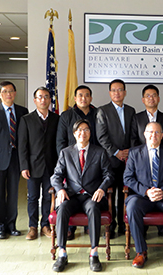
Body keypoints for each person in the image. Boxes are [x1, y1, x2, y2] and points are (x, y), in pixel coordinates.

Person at [51, 119, 114, 272]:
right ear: (74, 134)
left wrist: (102, 188)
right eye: (79, 130)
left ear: (90, 133)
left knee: (93, 208)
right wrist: (60, 189)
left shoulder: (99, 152)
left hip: (91, 196)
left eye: (86, 130)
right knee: (63, 207)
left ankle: (94, 253)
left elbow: (109, 175)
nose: (82, 133)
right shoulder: (66, 152)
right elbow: (55, 176)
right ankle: (62, 253)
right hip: (71, 196)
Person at [124, 122, 163, 268]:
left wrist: (162, 191)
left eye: (157, 132)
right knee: (131, 206)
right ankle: (141, 252)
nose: (153, 135)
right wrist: (146, 191)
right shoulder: (134, 153)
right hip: (142, 196)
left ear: (162, 136)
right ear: (144, 134)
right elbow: (128, 178)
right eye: (150, 132)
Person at [0, 81, 28, 239]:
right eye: (5, 91)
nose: (8, 94)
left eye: (11, 91)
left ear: (15, 93)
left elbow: (25, 137)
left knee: (13, 193)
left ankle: (11, 224)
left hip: (16, 159)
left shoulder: (23, 111)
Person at [130, 84, 163, 238]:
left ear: (159, 98)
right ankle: (142, 230)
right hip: (143, 162)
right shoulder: (136, 118)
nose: (151, 98)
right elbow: (133, 140)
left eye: (154, 95)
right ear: (143, 99)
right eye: (148, 96)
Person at [57, 85, 99, 240]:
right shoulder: (66, 115)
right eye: (80, 95)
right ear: (75, 98)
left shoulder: (97, 114)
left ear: (91, 98)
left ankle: (90, 226)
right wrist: (65, 162)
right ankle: (70, 228)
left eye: (87, 95)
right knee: (71, 193)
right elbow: (60, 142)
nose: (83, 98)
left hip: (93, 160)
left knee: (90, 191)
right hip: (71, 162)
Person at [18, 87, 59, 240]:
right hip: (32, 167)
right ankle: (32, 227)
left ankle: (45, 225)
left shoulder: (56, 119)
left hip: (51, 166)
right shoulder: (26, 119)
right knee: (33, 198)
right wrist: (24, 166)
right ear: (35, 100)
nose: (43, 100)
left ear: (50, 100)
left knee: (49, 197)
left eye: (46, 97)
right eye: (40, 97)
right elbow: (22, 145)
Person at [96, 79, 136, 238]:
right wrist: (116, 152)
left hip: (128, 160)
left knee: (125, 193)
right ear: (110, 93)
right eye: (114, 90)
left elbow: (134, 134)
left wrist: (129, 152)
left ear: (125, 92)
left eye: (120, 90)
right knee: (110, 194)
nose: (117, 93)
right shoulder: (102, 111)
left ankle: (123, 224)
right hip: (110, 160)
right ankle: (110, 226)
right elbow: (102, 137)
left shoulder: (131, 111)